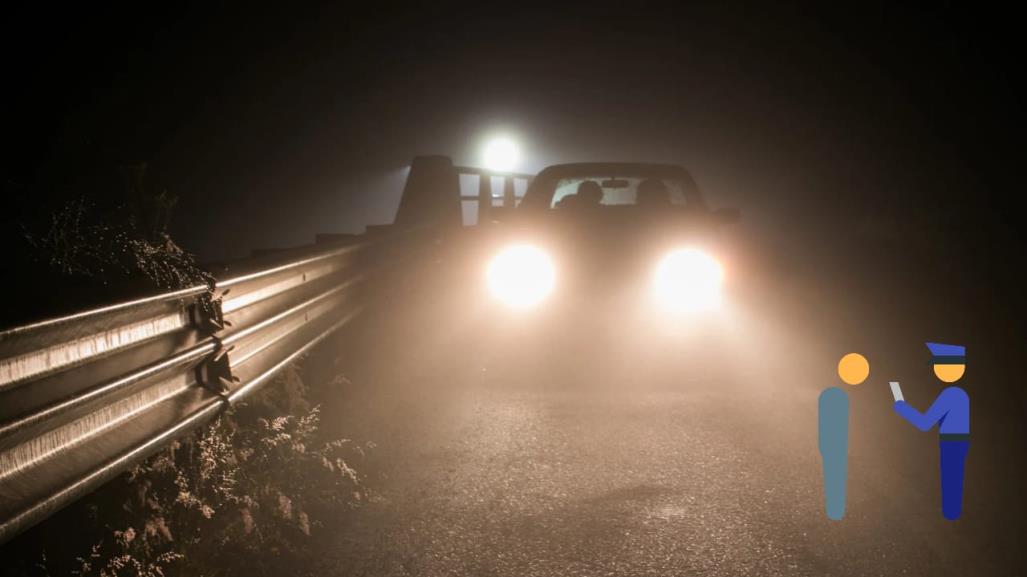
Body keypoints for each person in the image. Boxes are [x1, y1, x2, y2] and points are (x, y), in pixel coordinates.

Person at [893, 342, 970, 520]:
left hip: (951, 441)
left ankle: (950, 515)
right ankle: (951, 512)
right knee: (954, 477)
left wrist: (902, 407)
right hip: (960, 439)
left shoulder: (949, 395)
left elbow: (924, 423)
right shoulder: (960, 394)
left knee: (951, 477)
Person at [818, 352, 869, 520]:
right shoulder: (840, 395)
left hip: (832, 444)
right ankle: (836, 509)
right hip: (837, 444)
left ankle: (835, 509)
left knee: (833, 475)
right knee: (837, 476)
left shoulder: (829, 394)